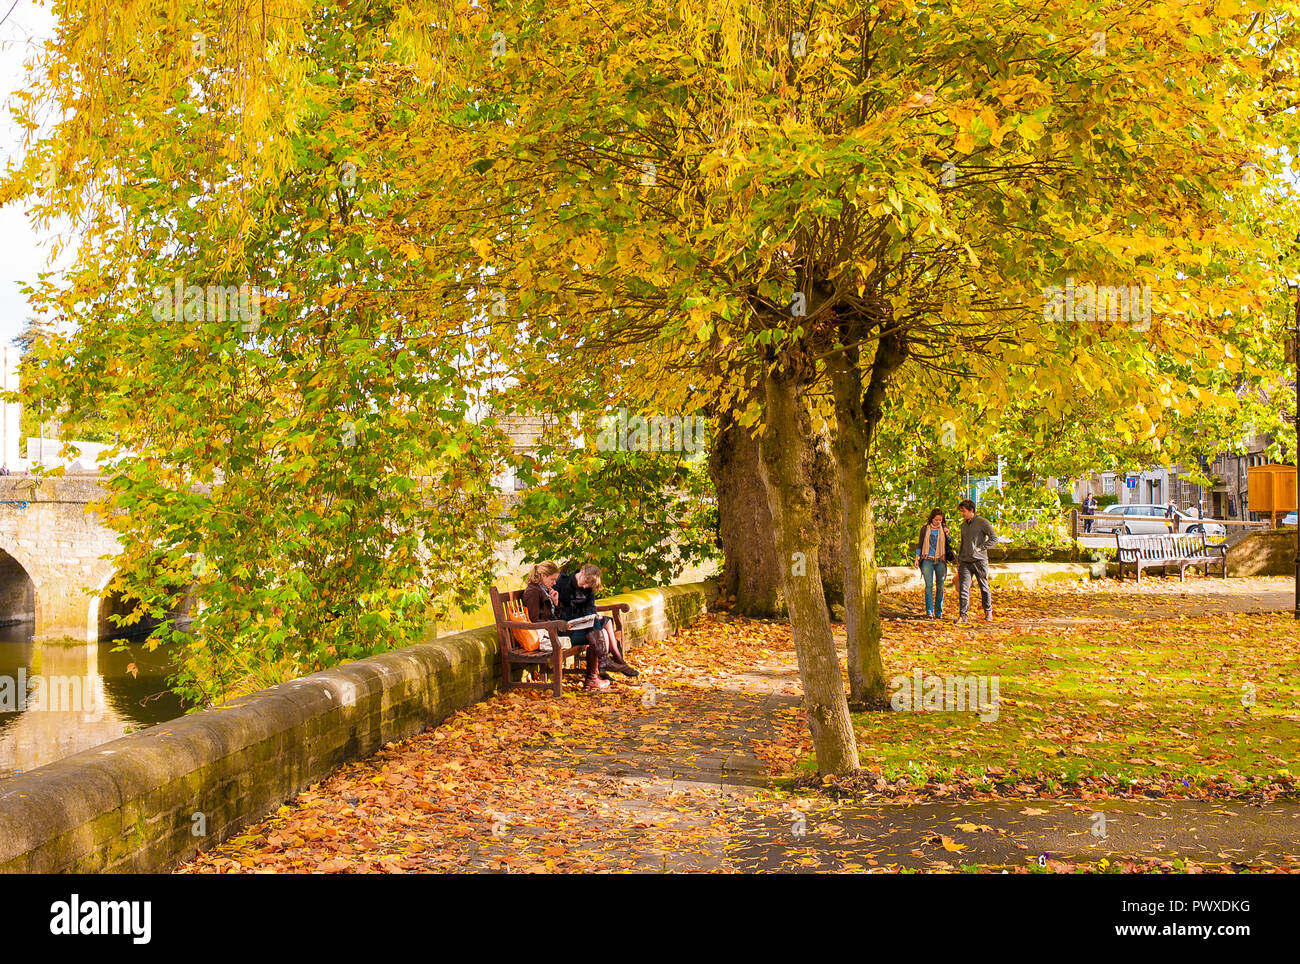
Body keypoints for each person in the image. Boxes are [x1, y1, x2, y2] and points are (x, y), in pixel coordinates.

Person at [556, 564, 639, 681]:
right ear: (582, 571)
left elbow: (590, 607)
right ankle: (611, 662)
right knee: (600, 628)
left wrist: (591, 615)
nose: (585, 586)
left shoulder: (588, 588)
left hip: (582, 622)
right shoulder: (563, 581)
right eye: (585, 582)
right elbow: (555, 606)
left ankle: (611, 662)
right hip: (567, 624)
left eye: (588, 585)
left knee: (604, 622)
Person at [954, 498, 998, 625]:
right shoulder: (963, 525)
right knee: (963, 588)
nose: (962, 514)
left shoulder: (982, 522)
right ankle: (963, 615)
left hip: (980, 561)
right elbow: (963, 543)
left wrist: (981, 547)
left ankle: (988, 611)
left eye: (964, 511)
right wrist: (959, 560)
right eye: (961, 511)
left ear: (971, 510)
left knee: (984, 587)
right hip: (965, 562)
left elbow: (994, 538)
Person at [914, 508, 955, 618]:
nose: (938, 522)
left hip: (940, 560)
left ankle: (938, 613)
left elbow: (949, 544)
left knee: (940, 586)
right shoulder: (925, 529)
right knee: (929, 586)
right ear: (932, 518)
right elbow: (920, 544)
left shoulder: (943, 529)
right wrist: (917, 558)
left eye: (940, 520)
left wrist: (947, 535)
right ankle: (929, 612)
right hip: (927, 560)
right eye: (936, 520)